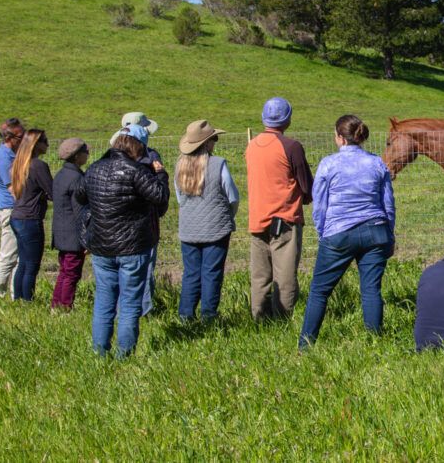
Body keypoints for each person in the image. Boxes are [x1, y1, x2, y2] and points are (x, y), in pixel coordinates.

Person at [299, 115, 395, 348]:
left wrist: (323, 233)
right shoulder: (376, 163)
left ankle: (305, 345)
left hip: (338, 232)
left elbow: (319, 203)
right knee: (371, 290)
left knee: (320, 292)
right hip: (376, 230)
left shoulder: (328, 164)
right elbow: (388, 203)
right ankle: (374, 344)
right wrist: (389, 234)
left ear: (341, 138)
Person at [77, 124, 169, 357]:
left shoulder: (94, 169)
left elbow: (79, 194)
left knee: (104, 301)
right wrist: (161, 174)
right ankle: (124, 354)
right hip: (132, 246)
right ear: (139, 146)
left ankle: (100, 352)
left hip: (102, 245)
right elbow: (160, 196)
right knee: (129, 303)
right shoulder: (135, 171)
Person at [245, 97, 313, 322]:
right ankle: (283, 321)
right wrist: (306, 197)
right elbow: (306, 184)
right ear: (288, 119)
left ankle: (259, 320)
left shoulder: (251, 146)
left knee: (260, 275)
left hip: (257, 217)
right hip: (284, 218)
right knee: (284, 275)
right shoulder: (291, 146)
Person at [174, 120, 239, 321]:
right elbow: (233, 196)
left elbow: (179, 198)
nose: (215, 143)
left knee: (191, 273)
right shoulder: (218, 164)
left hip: (188, 228)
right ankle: (209, 315)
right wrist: (227, 215)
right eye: (214, 139)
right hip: (216, 228)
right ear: (207, 143)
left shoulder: (179, 165)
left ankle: (186, 315)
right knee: (211, 273)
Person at [109, 111, 167, 317]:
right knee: (144, 268)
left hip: (114, 223)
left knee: (118, 270)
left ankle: (118, 309)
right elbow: (159, 195)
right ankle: (143, 310)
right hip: (144, 222)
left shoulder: (110, 160)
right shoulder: (151, 158)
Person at [9, 129, 53, 301]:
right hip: (31, 218)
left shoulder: (21, 164)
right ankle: (28, 301)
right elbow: (52, 191)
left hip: (18, 216)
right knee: (32, 265)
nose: (47, 144)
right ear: (36, 144)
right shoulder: (38, 166)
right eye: (45, 140)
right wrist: (43, 195)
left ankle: (19, 300)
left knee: (23, 262)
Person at [51, 138, 90, 310]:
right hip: (73, 235)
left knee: (64, 272)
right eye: (85, 152)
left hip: (60, 232)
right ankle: (65, 307)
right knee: (72, 274)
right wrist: (86, 237)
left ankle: (56, 305)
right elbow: (80, 211)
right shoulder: (76, 178)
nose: (87, 155)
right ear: (76, 157)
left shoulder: (60, 174)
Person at [0, 118, 24, 300]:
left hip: (14, 209)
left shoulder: (9, 155)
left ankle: (14, 295)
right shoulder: (5, 159)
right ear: (11, 137)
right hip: (10, 210)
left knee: (18, 257)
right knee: (8, 256)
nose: (24, 139)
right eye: (21, 135)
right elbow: (13, 189)